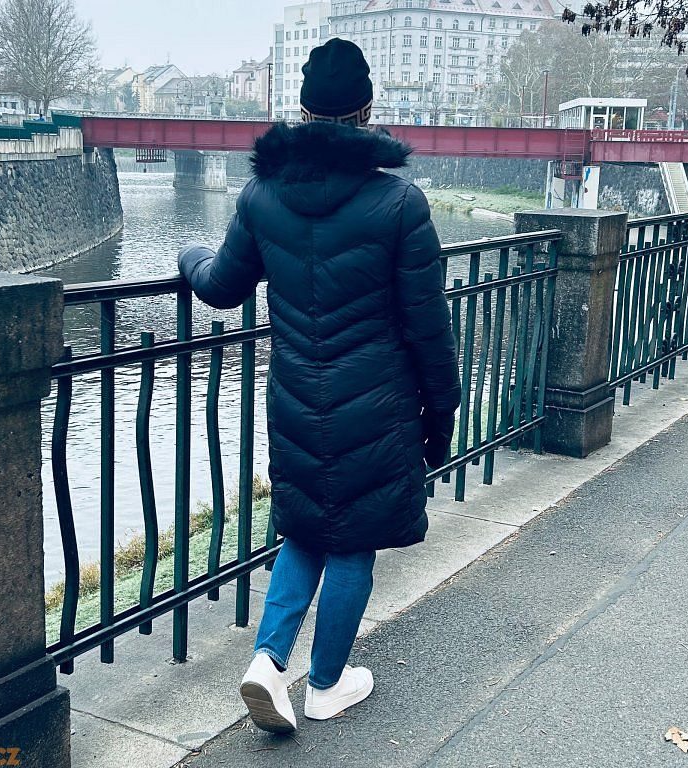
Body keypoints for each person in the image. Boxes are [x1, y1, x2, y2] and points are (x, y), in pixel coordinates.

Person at [178, 38, 460, 732]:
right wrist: (441, 414)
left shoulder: (262, 196)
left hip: (298, 401)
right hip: (377, 405)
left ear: (302, 112)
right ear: (367, 112)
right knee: (353, 540)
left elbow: (221, 286)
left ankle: (268, 661)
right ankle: (326, 685)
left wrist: (189, 256)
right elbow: (429, 329)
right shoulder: (399, 203)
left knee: (305, 528)